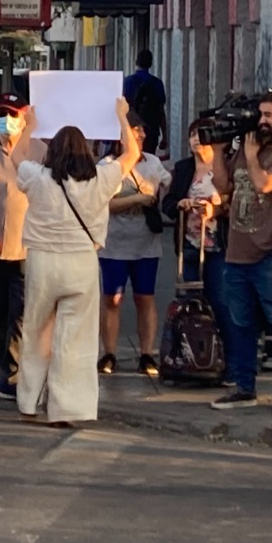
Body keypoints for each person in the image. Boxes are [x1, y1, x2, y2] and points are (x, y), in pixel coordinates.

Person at [13, 101, 139, 424]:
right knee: (75, 339)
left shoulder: (39, 177)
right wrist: (122, 118)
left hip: (42, 261)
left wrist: (29, 126)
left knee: (37, 331)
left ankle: (28, 401)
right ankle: (67, 407)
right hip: (82, 262)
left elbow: (16, 158)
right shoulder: (100, 179)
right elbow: (132, 155)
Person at [211, 90, 272, 410]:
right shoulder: (247, 147)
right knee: (241, 323)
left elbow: (265, 185)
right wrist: (217, 150)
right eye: (260, 115)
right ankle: (244, 387)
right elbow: (223, 186)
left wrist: (252, 156)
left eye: (269, 116)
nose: (262, 122)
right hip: (237, 251)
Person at [0, 93, 44, 403]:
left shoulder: (39, 149)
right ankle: (7, 369)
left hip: (27, 245)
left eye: (13, 113)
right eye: (2, 113)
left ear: (24, 116)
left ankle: (17, 374)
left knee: (21, 312)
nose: (7, 119)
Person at [99, 118, 172, 377]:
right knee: (112, 298)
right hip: (114, 243)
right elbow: (103, 203)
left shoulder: (152, 163)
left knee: (145, 297)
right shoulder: (107, 166)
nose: (140, 134)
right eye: (134, 130)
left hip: (146, 244)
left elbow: (169, 186)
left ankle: (146, 353)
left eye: (142, 130)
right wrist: (139, 198)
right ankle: (109, 353)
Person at [162, 119, 227, 334]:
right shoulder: (183, 168)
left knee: (219, 299)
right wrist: (181, 204)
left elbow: (232, 201)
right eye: (192, 135)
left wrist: (215, 208)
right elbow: (168, 203)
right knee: (189, 299)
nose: (196, 140)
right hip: (189, 243)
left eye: (201, 135)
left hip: (218, 245)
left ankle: (220, 350)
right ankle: (190, 349)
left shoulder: (224, 167)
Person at [122, 51, 167, 155]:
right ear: (151, 63)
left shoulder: (127, 82)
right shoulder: (157, 83)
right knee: (149, 160)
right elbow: (161, 112)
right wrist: (165, 136)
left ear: (136, 62)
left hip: (130, 129)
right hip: (151, 131)